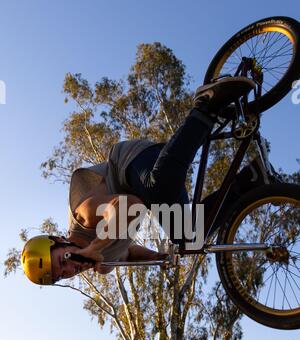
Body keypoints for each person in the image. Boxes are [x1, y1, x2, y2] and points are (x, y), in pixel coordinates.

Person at [22, 76, 265, 285]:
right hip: (149, 189)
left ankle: (205, 106)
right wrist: (159, 258)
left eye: (60, 263)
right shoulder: (102, 262)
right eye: (61, 276)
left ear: (59, 242)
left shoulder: (82, 216)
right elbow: (127, 253)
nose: (69, 271)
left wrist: (95, 247)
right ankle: (251, 180)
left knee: (155, 188)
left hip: (131, 163)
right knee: (189, 239)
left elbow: (130, 206)